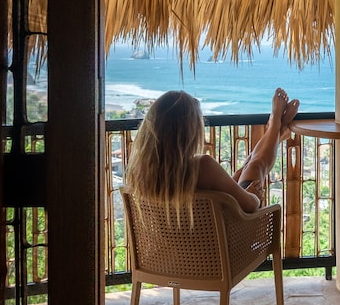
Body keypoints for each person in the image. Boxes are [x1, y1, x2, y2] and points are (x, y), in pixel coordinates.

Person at [124, 87, 299, 215]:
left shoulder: (138, 171)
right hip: (222, 252)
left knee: (246, 168)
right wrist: (254, 196)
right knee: (256, 166)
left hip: (169, 257)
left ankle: (274, 131)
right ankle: (275, 126)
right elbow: (250, 206)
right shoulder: (202, 167)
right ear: (190, 132)